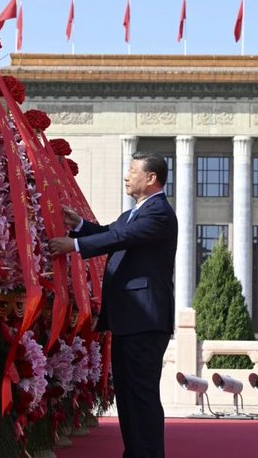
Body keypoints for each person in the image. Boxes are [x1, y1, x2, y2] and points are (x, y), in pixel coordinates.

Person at [49, 152, 178, 458]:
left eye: (133, 171)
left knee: (141, 394)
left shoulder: (158, 213)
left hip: (145, 319)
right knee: (129, 394)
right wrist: (80, 225)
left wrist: (75, 245)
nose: (126, 176)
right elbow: (111, 232)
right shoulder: (134, 213)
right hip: (128, 319)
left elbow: (121, 237)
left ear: (151, 178)